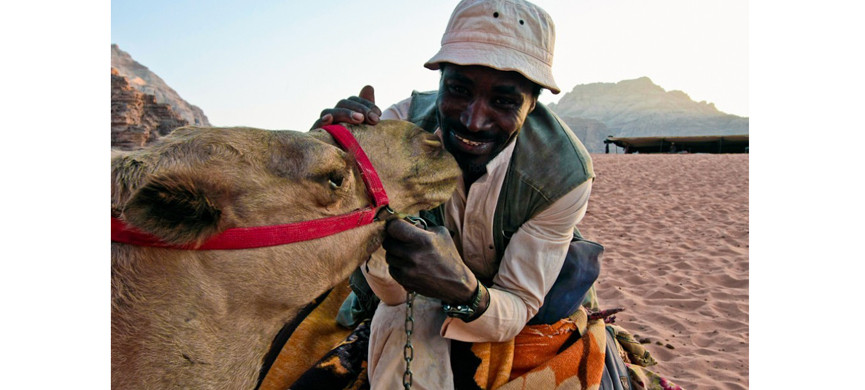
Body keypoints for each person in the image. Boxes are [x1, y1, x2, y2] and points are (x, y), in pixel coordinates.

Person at [315, 0, 594, 388]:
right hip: (408, 286)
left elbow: (517, 303)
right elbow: (389, 288)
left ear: (532, 103)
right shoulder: (399, 128)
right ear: (440, 81)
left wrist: (462, 289)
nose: (473, 120)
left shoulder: (563, 175)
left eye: (504, 101)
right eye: (459, 90)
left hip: (496, 290)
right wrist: (328, 153)